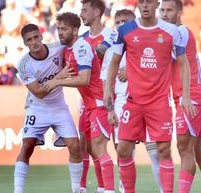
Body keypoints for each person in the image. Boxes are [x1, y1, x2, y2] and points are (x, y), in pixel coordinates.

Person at [104, 0, 197, 192]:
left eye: (149, 2)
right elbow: (114, 62)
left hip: (160, 103)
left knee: (163, 151)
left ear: (157, 4)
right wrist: (108, 90)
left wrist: (186, 96)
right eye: (142, 2)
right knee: (122, 150)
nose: (145, 5)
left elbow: (183, 64)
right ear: (138, 5)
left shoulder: (172, 31)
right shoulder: (126, 30)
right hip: (133, 102)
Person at [44, 12, 115, 193]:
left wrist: (58, 81)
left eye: (64, 29)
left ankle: (109, 190)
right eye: (59, 28)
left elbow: (84, 79)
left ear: (75, 30)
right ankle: (94, 188)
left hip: (99, 103)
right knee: (88, 148)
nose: (60, 32)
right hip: (88, 105)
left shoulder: (81, 47)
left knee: (99, 148)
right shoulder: (68, 49)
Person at [14, 23, 83, 193]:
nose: (34, 42)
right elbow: (38, 93)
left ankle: (77, 189)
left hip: (59, 106)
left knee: (75, 146)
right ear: (25, 43)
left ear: (41, 36)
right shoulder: (23, 64)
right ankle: (18, 190)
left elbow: (79, 40)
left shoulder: (58, 48)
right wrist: (59, 76)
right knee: (27, 146)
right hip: (37, 108)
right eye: (29, 40)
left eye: (36, 37)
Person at [100, 9, 163, 193]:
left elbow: (161, 68)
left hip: (150, 100)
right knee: (123, 150)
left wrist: (133, 69)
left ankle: (163, 190)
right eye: (117, 21)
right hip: (121, 103)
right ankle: (125, 187)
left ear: (134, 22)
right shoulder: (113, 49)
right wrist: (110, 110)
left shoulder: (147, 40)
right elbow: (107, 81)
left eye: (125, 21)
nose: (121, 25)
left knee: (155, 151)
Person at [160, 0, 201, 192]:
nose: (164, 14)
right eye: (162, 10)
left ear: (179, 11)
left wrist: (186, 97)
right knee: (196, 149)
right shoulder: (178, 32)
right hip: (191, 95)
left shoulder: (178, 32)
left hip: (189, 97)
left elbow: (178, 65)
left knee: (184, 149)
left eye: (169, 10)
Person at [80, 1, 116, 192]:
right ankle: (86, 187)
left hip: (105, 98)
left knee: (103, 146)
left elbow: (100, 53)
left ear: (97, 11)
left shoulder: (111, 34)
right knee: (85, 145)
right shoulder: (82, 38)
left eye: (84, 10)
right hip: (85, 100)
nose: (80, 14)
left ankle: (110, 188)